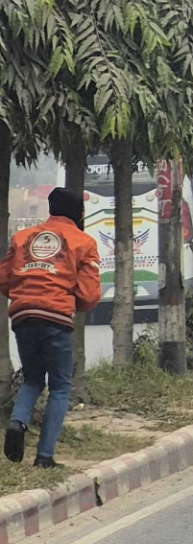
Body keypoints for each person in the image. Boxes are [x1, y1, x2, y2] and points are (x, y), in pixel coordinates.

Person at [2, 187, 101, 469]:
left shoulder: (23, 238)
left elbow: (4, 278)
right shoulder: (83, 242)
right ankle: (44, 457)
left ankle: (18, 423)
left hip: (23, 316)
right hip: (56, 317)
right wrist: (69, 303)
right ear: (79, 214)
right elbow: (90, 294)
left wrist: (27, 296)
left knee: (33, 379)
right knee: (59, 386)